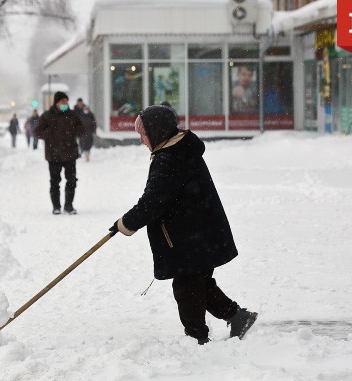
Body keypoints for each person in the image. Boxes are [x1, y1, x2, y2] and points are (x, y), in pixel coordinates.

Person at [109, 105, 257, 345]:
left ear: (156, 132)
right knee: (198, 283)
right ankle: (238, 316)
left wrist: (126, 223)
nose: (141, 140)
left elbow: (153, 201)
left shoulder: (170, 157)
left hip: (190, 237)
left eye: (143, 134)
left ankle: (196, 339)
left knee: (188, 288)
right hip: (197, 233)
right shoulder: (178, 149)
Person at [34, 91, 85, 215]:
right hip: (54, 155)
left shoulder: (72, 115)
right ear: (56, 103)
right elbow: (37, 131)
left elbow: (82, 130)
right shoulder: (47, 116)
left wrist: (74, 130)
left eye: (66, 101)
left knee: (72, 181)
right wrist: (50, 133)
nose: (65, 103)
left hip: (70, 154)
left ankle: (69, 206)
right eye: (62, 101)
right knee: (55, 182)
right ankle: (56, 206)